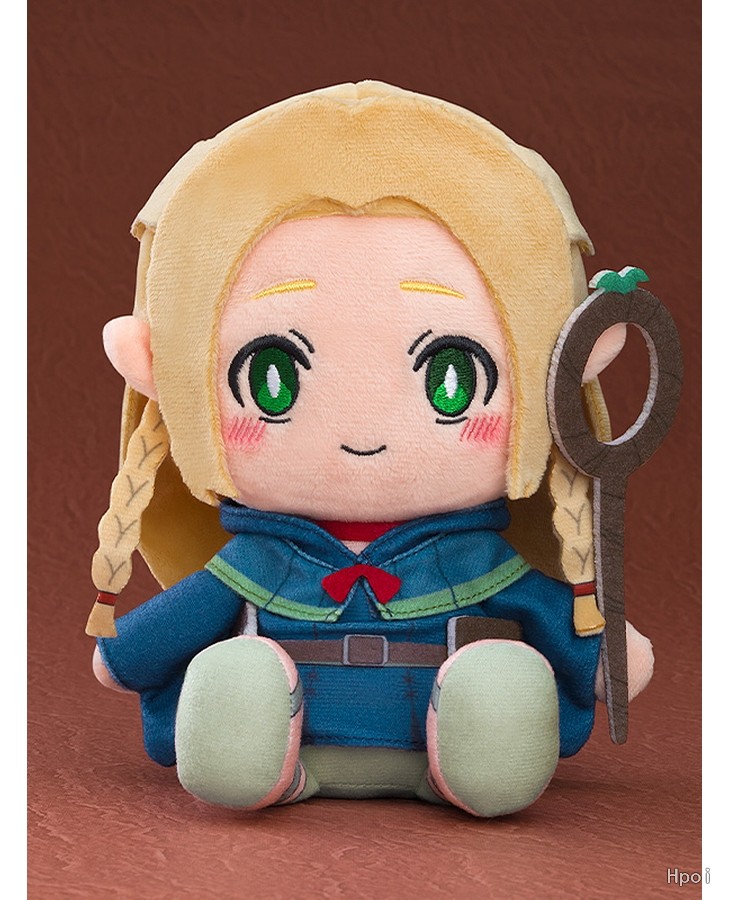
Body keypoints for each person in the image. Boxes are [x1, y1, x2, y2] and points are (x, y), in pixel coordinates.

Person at [88, 82, 654, 817]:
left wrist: (608, 658)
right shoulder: (258, 564)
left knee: (501, 682)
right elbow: (147, 644)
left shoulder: (473, 562)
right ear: (167, 376)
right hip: (290, 739)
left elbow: (561, 620)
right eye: (272, 380)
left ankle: (480, 751)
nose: (363, 430)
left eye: (452, 378)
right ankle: (258, 746)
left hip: (446, 733)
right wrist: (124, 652)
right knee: (235, 674)